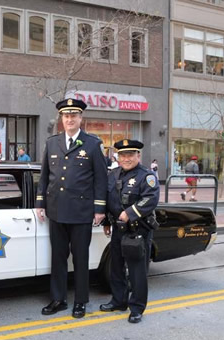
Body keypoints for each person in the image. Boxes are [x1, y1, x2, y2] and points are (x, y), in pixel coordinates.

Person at [35, 98, 108, 319]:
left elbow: (101, 180)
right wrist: (40, 202)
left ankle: (80, 301)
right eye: (66, 116)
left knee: (80, 259)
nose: (69, 119)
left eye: (73, 116)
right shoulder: (52, 143)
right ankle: (58, 299)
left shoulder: (92, 144)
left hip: (81, 212)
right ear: (62, 119)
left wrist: (99, 209)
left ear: (80, 118)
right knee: (57, 257)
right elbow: (45, 176)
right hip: (56, 210)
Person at [100, 139, 159, 323]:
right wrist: (107, 222)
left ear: (138, 156)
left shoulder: (146, 176)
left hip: (137, 230)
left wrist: (129, 213)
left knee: (136, 271)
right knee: (116, 268)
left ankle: (137, 308)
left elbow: (150, 199)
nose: (126, 158)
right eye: (123, 155)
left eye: (130, 154)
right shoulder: (113, 174)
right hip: (118, 229)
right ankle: (119, 301)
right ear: (118, 156)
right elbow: (108, 199)